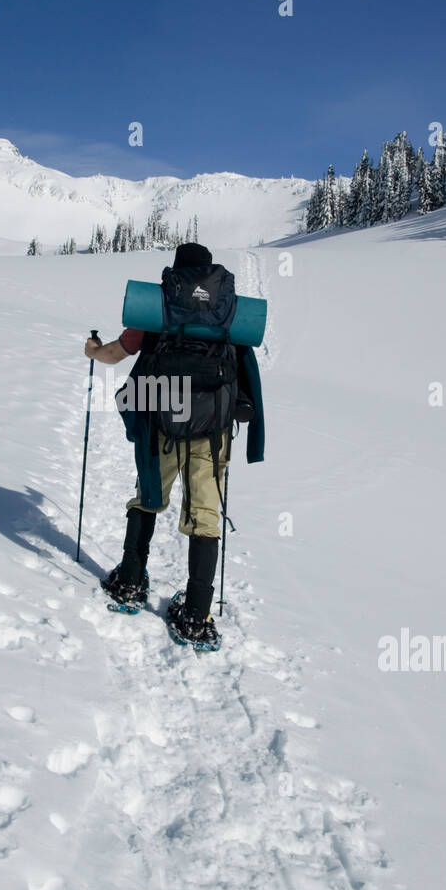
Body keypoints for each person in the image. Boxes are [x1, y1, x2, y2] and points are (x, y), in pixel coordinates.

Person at [84, 242, 265, 647]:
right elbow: (243, 365)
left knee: (148, 495)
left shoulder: (158, 308)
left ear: (176, 274)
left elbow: (117, 353)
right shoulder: (229, 311)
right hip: (212, 429)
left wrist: (93, 350)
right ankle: (197, 616)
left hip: (161, 420)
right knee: (205, 514)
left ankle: (130, 582)